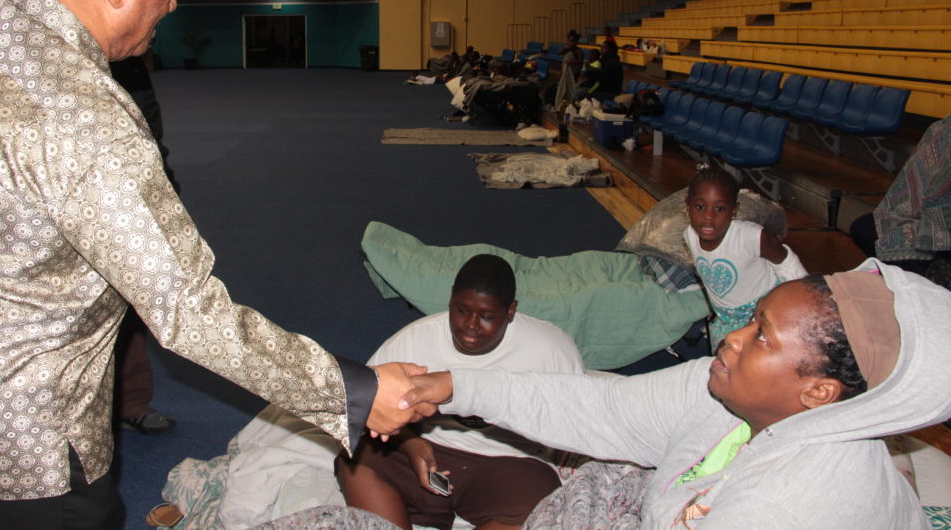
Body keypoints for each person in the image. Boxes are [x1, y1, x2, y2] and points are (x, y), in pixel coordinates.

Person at [0, 0, 421, 530]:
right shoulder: (87, 113)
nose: (172, 3)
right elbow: (187, 311)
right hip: (35, 445)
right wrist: (354, 391)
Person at [400, 263, 951, 528]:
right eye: (753, 318)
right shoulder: (720, 391)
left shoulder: (784, 508)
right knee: (603, 471)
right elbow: (600, 408)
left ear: (818, 391)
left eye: (761, 336)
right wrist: (454, 386)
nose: (731, 337)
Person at [336, 254, 585, 530]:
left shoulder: (552, 350)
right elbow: (367, 410)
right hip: (430, 449)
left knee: (547, 505)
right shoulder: (413, 340)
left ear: (511, 311)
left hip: (509, 461)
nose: (471, 326)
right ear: (451, 298)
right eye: (462, 310)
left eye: (487, 316)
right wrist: (410, 445)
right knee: (355, 458)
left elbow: (578, 418)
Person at [109, 54, 179, 435]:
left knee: (130, 307)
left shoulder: (129, 63)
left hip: (131, 201)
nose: (172, 4)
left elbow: (150, 133)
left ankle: (130, 400)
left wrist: (166, 192)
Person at [683, 166, 807, 345]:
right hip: (728, 317)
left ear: (734, 211)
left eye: (720, 209)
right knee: (725, 363)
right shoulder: (689, 235)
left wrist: (803, 301)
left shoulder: (751, 237)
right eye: (700, 207)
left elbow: (787, 262)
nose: (708, 216)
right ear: (687, 206)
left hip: (765, 309)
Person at [850, 114, 951, 287]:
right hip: (931, 220)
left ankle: (927, 286)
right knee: (864, 228)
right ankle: (919, 285)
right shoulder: (942, 129)